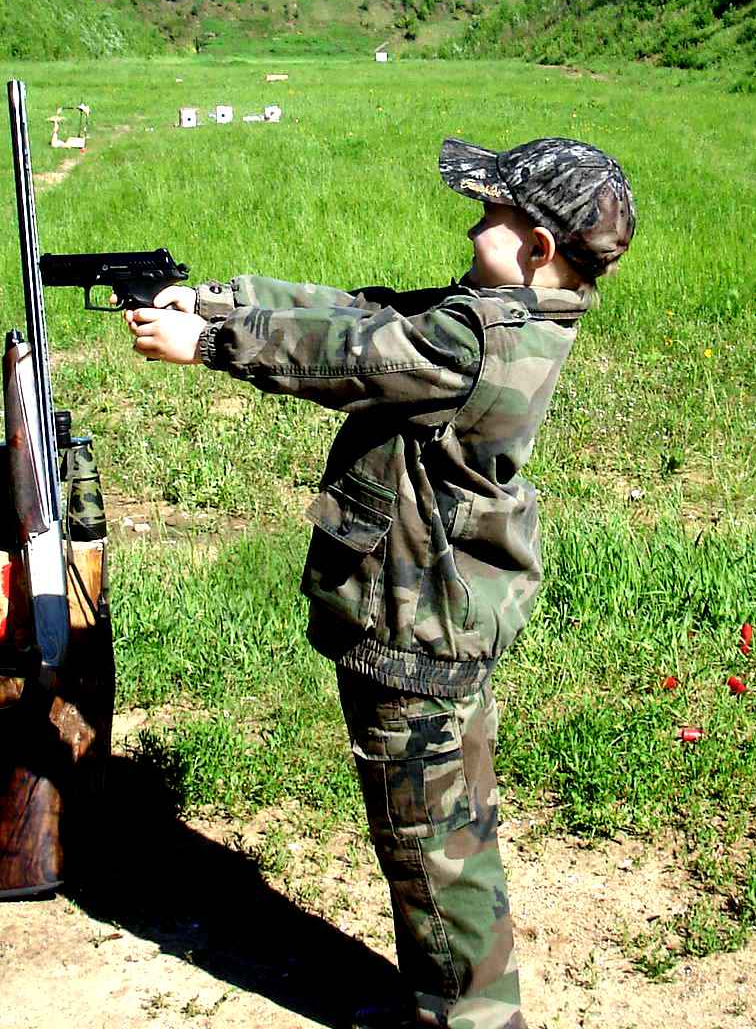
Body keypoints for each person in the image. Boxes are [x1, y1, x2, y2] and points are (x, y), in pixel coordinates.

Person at [124, 136, 636, 1029]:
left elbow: (348, 358)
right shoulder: (501, 318)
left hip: (414, 627)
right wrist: (221, 298)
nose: (475, 220)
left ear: (540, 249)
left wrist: (208, 340)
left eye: (493, 214)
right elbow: (358, 317)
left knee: (429, 846)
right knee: (456, 833)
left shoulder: (473, 343)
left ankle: (464, 1021)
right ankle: (462, 1001)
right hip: (445, 619)